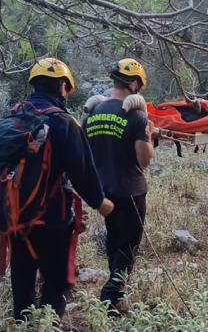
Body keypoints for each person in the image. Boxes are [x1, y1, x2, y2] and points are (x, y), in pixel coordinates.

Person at [9, 57, 114, 320]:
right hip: (52, 218)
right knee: (57, 281)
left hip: (14, 214)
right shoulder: (64, 122)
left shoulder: (14, 115)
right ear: (63, 87)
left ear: (34, 85)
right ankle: (48, 324)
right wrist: (101, 203)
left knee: (22, 277)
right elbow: (82, 171)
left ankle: (24, 323)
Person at [82, 58, 154, 313]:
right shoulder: (136, 116)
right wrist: (149, 135)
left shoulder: (92, 114)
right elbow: (144, 160)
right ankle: (109, 300)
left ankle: (114, 295)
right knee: (128, 247)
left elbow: (88, 154)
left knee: (115, 242)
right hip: (131, 192)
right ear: (134, 84)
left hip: (104, 193)